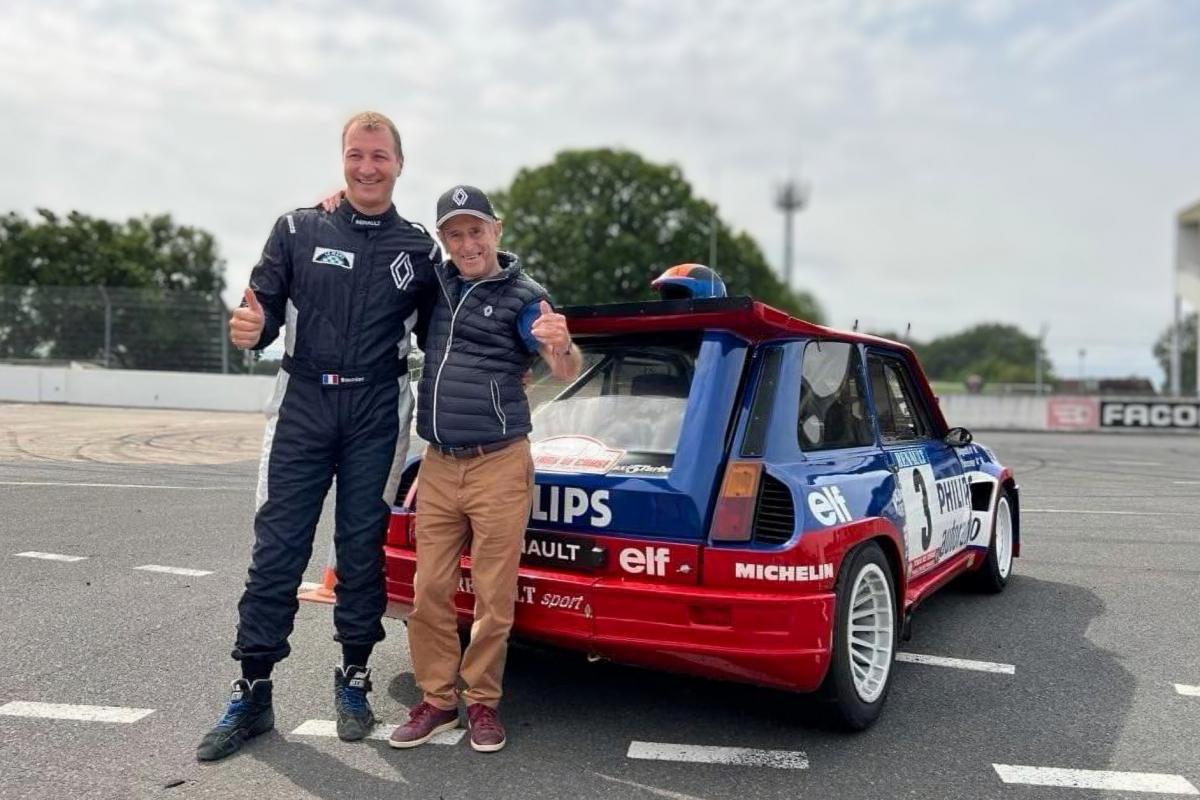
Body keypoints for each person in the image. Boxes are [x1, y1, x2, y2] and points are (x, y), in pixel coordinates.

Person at [197, 111, 440, 762]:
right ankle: (252, 689)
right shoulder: (299, 228)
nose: (367, 166)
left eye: (380, 156)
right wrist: (251, 329)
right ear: (342, 158)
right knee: (277, 550)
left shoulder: (418, 248)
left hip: (377, 406)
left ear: (399, 163)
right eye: (357, 154)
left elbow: (445, 333)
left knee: (361, 551)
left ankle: (355, 679)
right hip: (303, 401)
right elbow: (262, 308)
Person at [387, 185, 581, 753]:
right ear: (444, 240)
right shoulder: (438, 283)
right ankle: (437, 700)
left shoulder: (526, 297)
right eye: (455, 233)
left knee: (495, 595)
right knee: (429, 591)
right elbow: (384, 230)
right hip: (441, 464)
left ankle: (484, 703)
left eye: (476, 230)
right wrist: (335, 199)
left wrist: (560, 346)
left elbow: (563, 367)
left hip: (499, 464)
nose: (467, 243)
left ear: (497, 230)